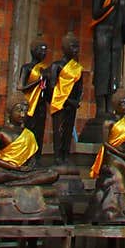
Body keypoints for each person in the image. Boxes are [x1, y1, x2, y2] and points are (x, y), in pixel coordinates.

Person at [88, 93, 125, 223]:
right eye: (123, 103)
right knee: (123, 166)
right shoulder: (108, 123)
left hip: (124, 154)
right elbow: (106, 143)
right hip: (111, 155)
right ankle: (120, 197)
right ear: (115, 105)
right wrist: (120, 154)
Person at [0, 98, 59, 186]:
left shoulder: (29, 134)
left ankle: (20, 182)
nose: (23, 115)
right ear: (9, 112)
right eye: (19, 111)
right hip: (4, 169)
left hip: (23, 171)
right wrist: (15, 168)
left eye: (25, 111)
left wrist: (29, 167)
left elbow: (32, 160)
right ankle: (23, 179)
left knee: (53, 174)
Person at [47, 33, 83, 163]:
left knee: (68, 130)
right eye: (73, 47)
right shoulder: (57, 66)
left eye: (77, 47)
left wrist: (77, 100)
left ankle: (66, 155)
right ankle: (57, 155)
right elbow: (52, 85)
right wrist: (62, 99)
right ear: (64, 47)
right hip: (59, 103)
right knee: (59, 130)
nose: (76, 50)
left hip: (72, 104)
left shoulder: (77, 68)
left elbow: (80, 87)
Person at [17, 37, 50, 156]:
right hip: (29, 104)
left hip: (41, 104)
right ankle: (26, 156)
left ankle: (37, 157)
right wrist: (37, 81)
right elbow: (20, 87)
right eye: (41, 50)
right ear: (33, 51)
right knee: (28, 131)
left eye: (45, 50)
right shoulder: (27, 68)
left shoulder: (46, 69)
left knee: (39, 132)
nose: (43, 53)